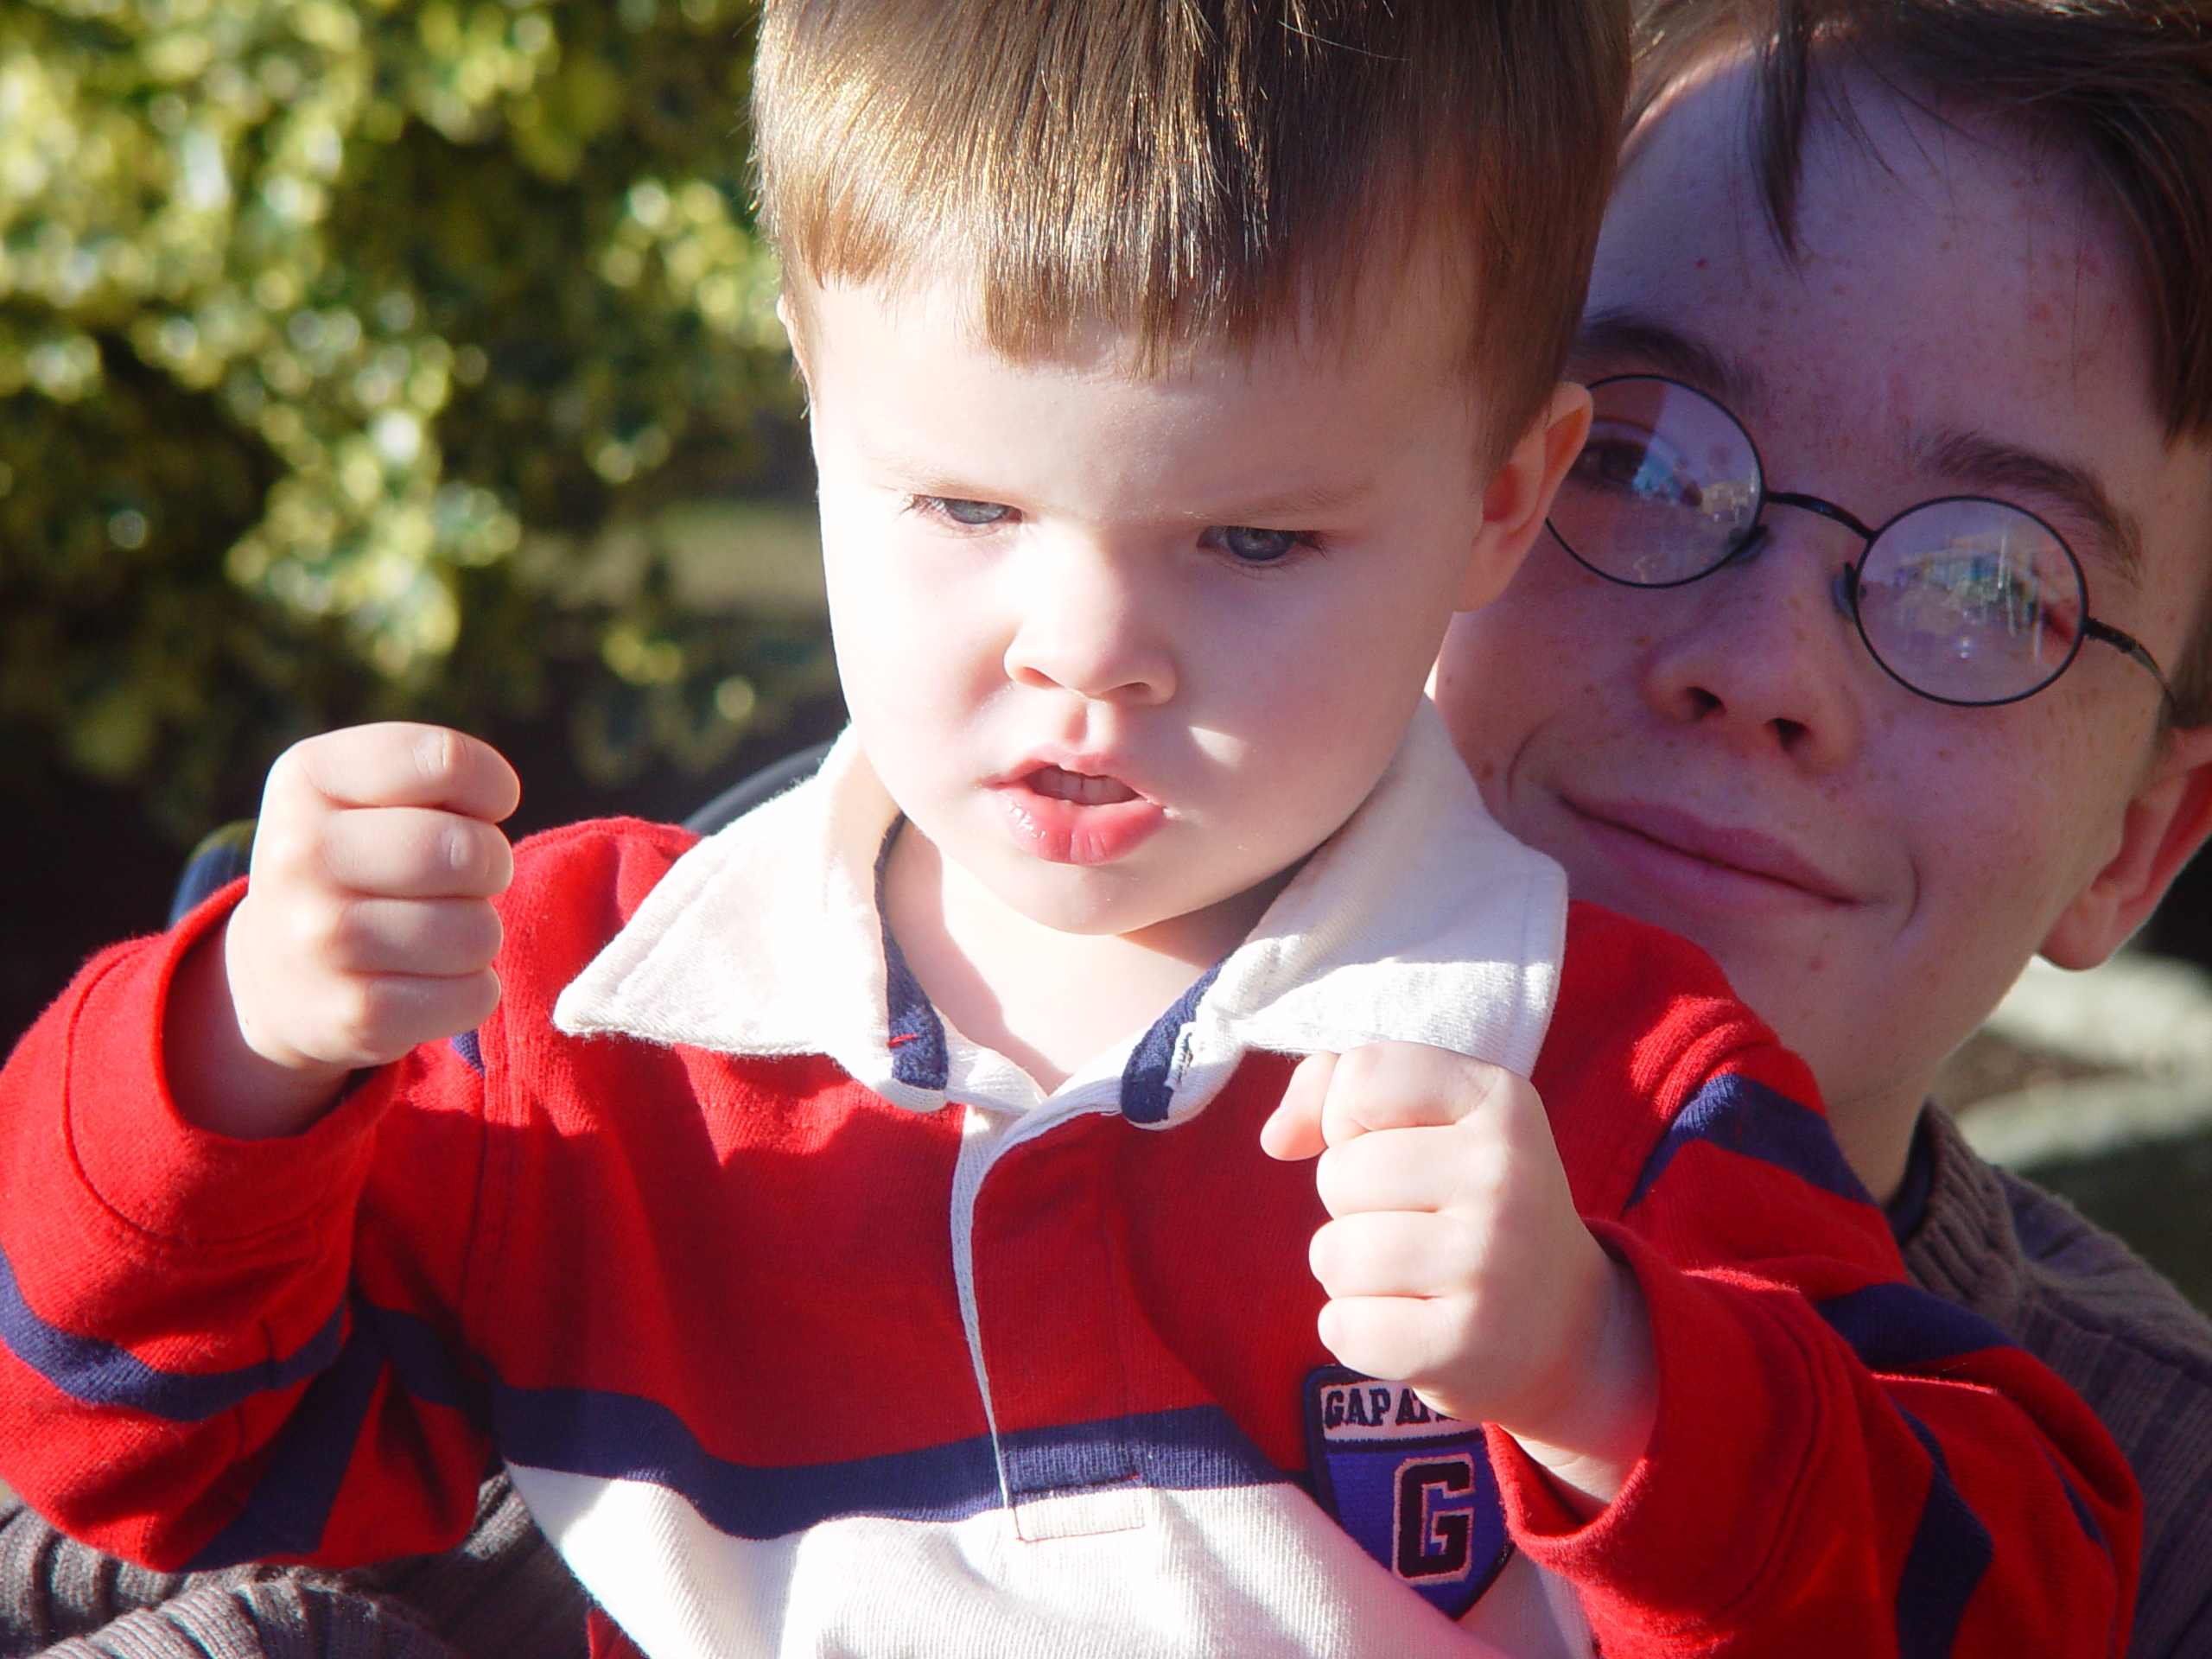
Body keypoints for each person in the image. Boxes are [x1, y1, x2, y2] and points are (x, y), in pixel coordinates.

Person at [0, 1, 2139, 1656]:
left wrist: (1606, 1367)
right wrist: (229, 1060)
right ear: (812, 401)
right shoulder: (593, 1014)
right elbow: (157, 1467)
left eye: (1251, 535)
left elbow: (2021, 1591)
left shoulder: (1604, 1080)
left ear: (1499, 493)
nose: (1085, 648)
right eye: (961, 507)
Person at [1430, 2, 2212, 1654]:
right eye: (1633, 454)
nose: (1764, 668)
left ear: (2135, 846)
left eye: (1994, 586)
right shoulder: (862, 1093)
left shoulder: (2161, 1541)